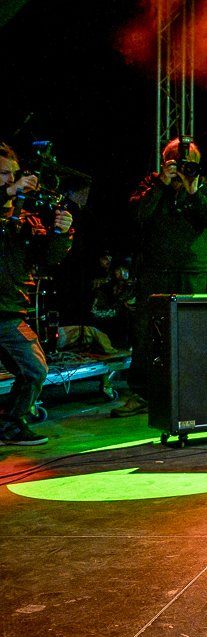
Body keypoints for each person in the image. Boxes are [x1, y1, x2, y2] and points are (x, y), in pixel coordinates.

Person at [119, 138, 207, 417]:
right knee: (146, 335)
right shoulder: (152, 184)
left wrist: (193, 191)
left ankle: (190, 392)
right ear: (165, 162)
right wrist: (162, 183)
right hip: (154, 272)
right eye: (177, 162)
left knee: (190, 333)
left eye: (190, 163)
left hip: (190, 272)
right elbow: (137, 214)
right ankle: (142, 393)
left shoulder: (204, 187)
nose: (184, 167)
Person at [0, 143, 73, 446]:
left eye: (14, 173)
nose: (11, 179)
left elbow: (48, 258)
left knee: (34, 368)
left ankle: (10, 425)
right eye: (3, 174)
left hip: (7, 311)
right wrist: (9, 192)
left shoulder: (26, 218)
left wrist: (62, 232)